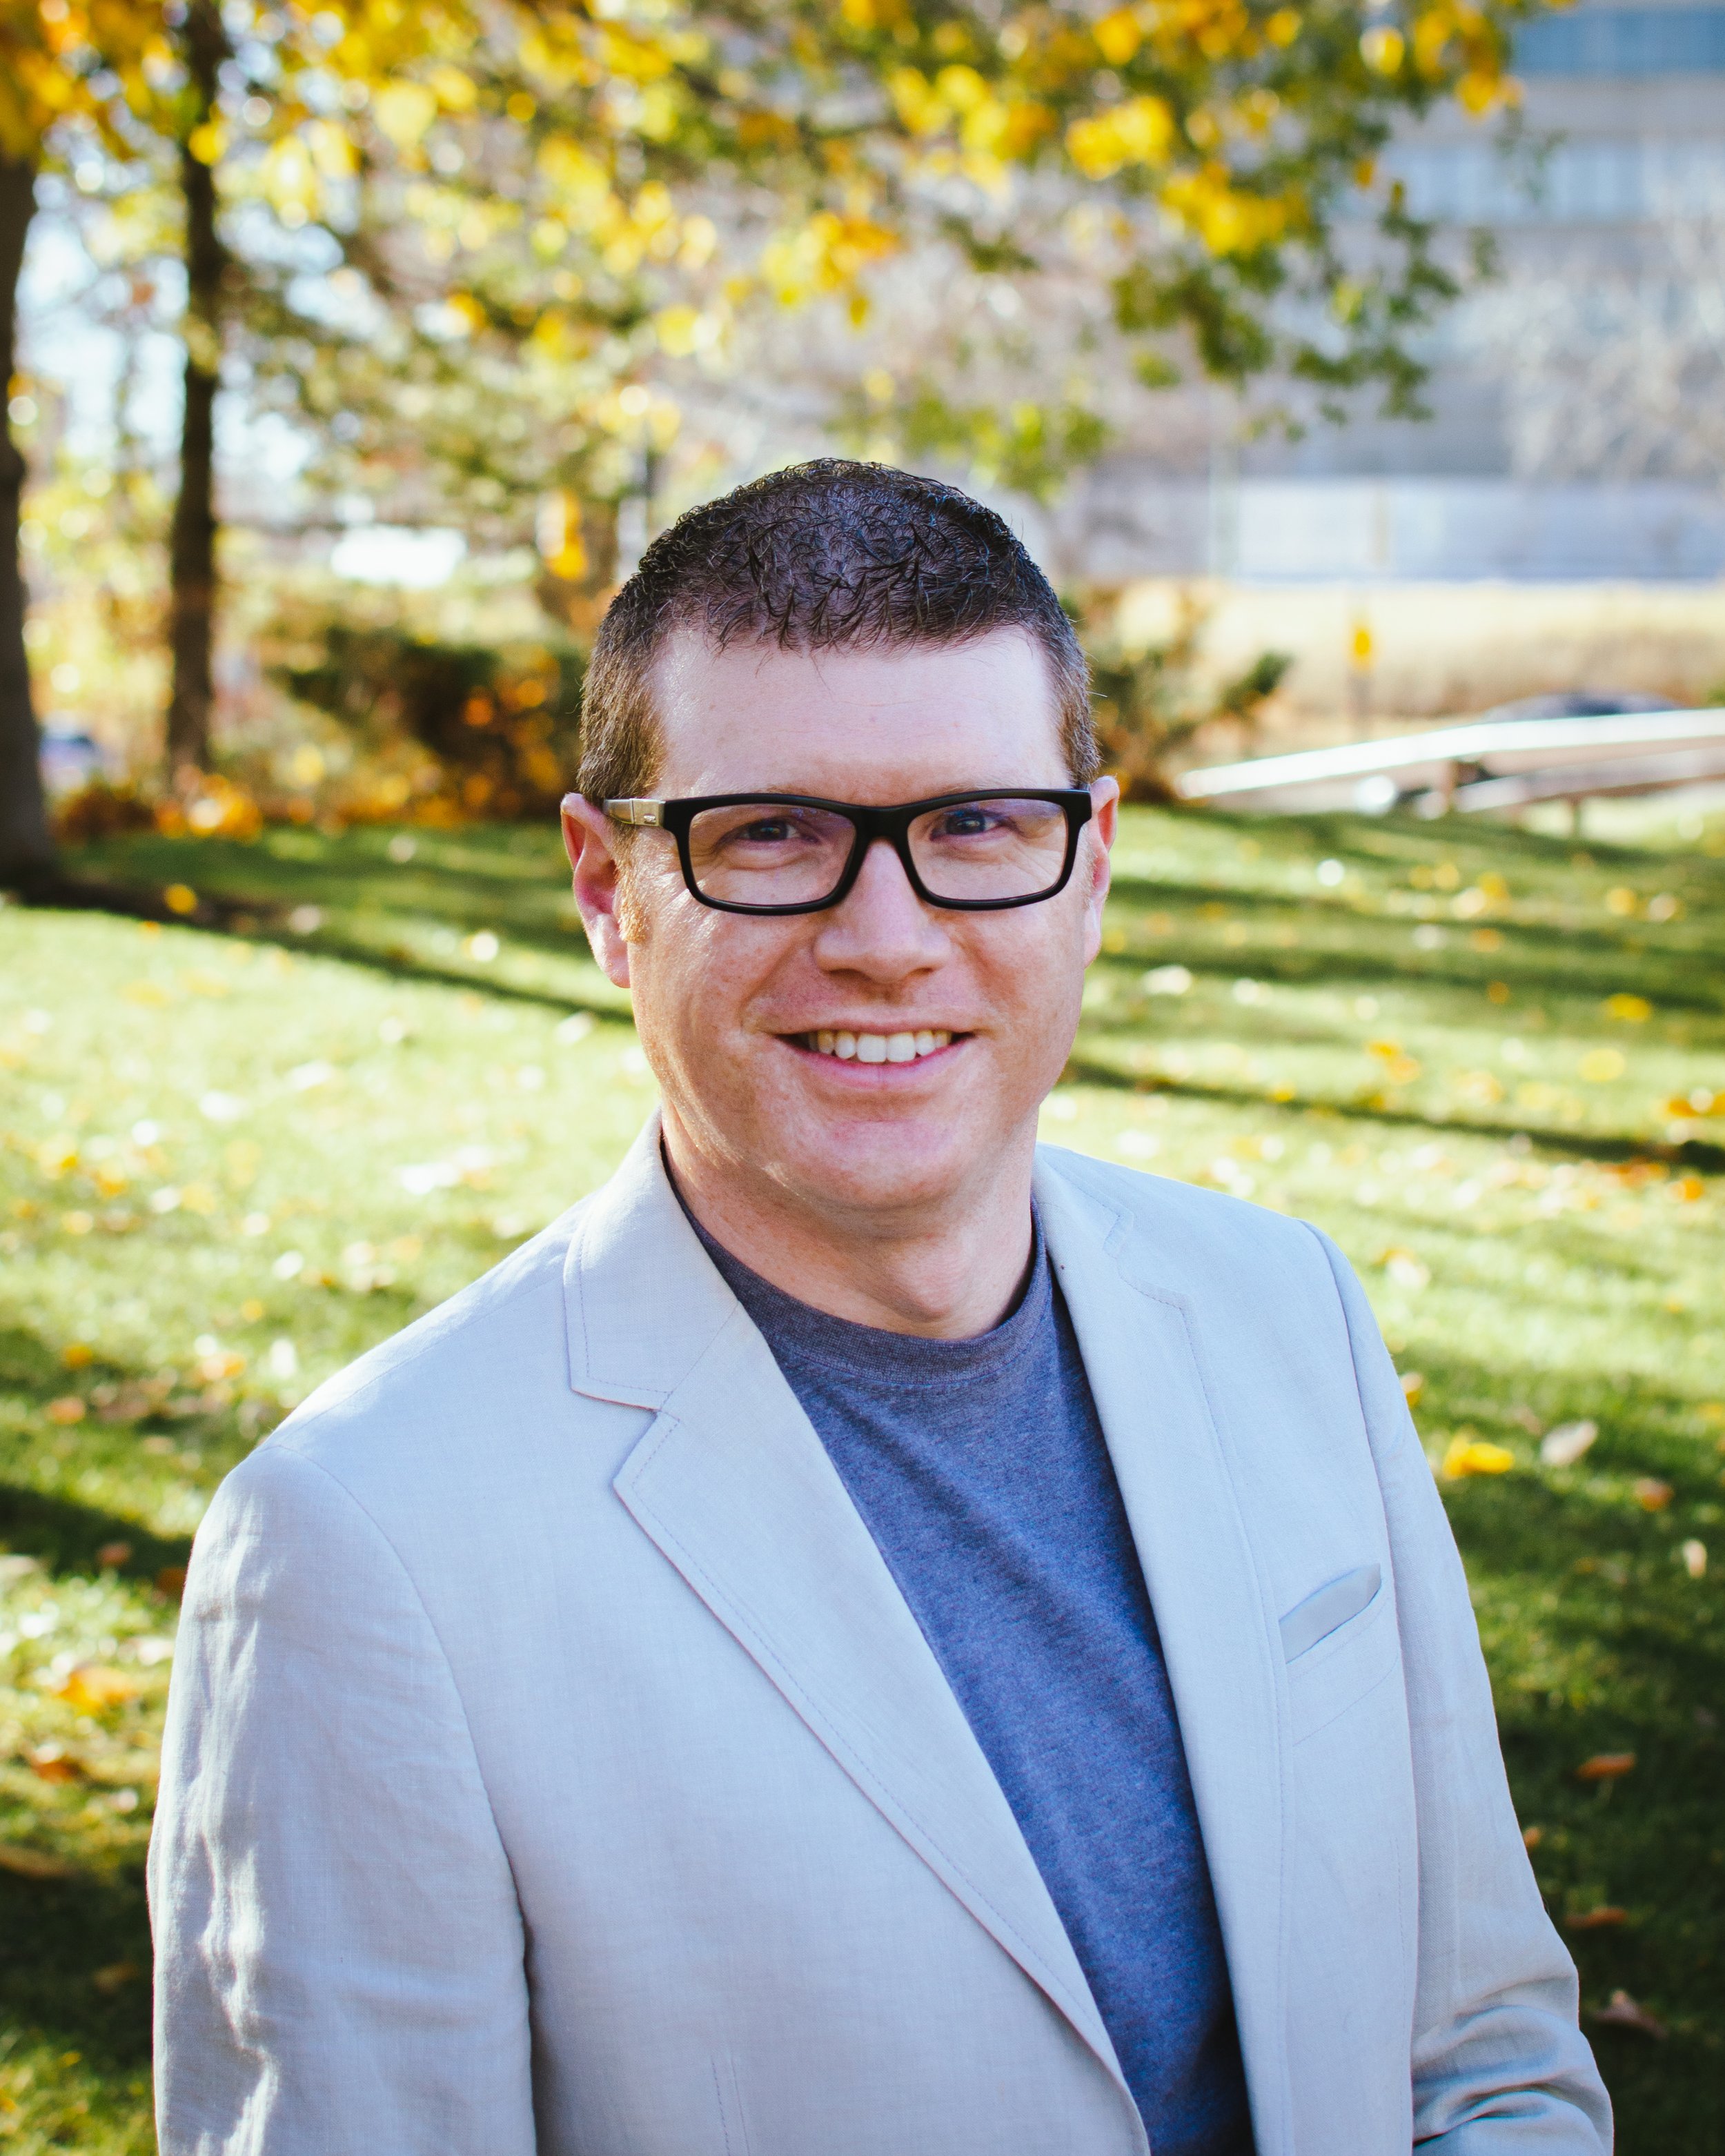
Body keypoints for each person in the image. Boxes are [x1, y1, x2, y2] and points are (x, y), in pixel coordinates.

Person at [150, 462, 1610, 2156]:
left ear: (1089, 864)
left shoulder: (1282, 1309)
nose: (887, 937)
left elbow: (1482, 2051)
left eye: (974, 825)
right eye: (769, 833)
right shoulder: (360, 1547)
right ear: (607, 893)